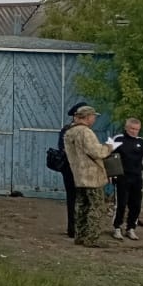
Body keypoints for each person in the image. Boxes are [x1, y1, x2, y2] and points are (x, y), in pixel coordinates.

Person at [64, 105, 118, 247]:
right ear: (87, 117)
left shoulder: (69, 132)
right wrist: (109, 147)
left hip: (79, 175)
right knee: (96, 206)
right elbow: (96, 152)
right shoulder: (85, 132)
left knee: (81, 206)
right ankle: (91, 238)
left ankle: (80, 236)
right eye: (93, 116)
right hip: (92, 176)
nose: (94, 119)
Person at [110, 118, 143, 241]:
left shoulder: (141, 141)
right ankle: (117, 227)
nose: (134, 131)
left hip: (136, 177)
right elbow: (107, 155)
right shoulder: (118, 139)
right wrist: (111, 174)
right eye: (132, 129)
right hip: (122, 176)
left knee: (136, 204)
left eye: (137, 129)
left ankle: (131, 228)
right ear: (126, 128)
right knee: (121, 203)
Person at [58, 102, 86, 238]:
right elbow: (63, 148)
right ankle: (73, 228)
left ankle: (80, 227)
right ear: (76, 116)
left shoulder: (86, 130)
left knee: (82, 198)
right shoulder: (68, 130)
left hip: (83, 169)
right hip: (71, 168)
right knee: (73, 197)